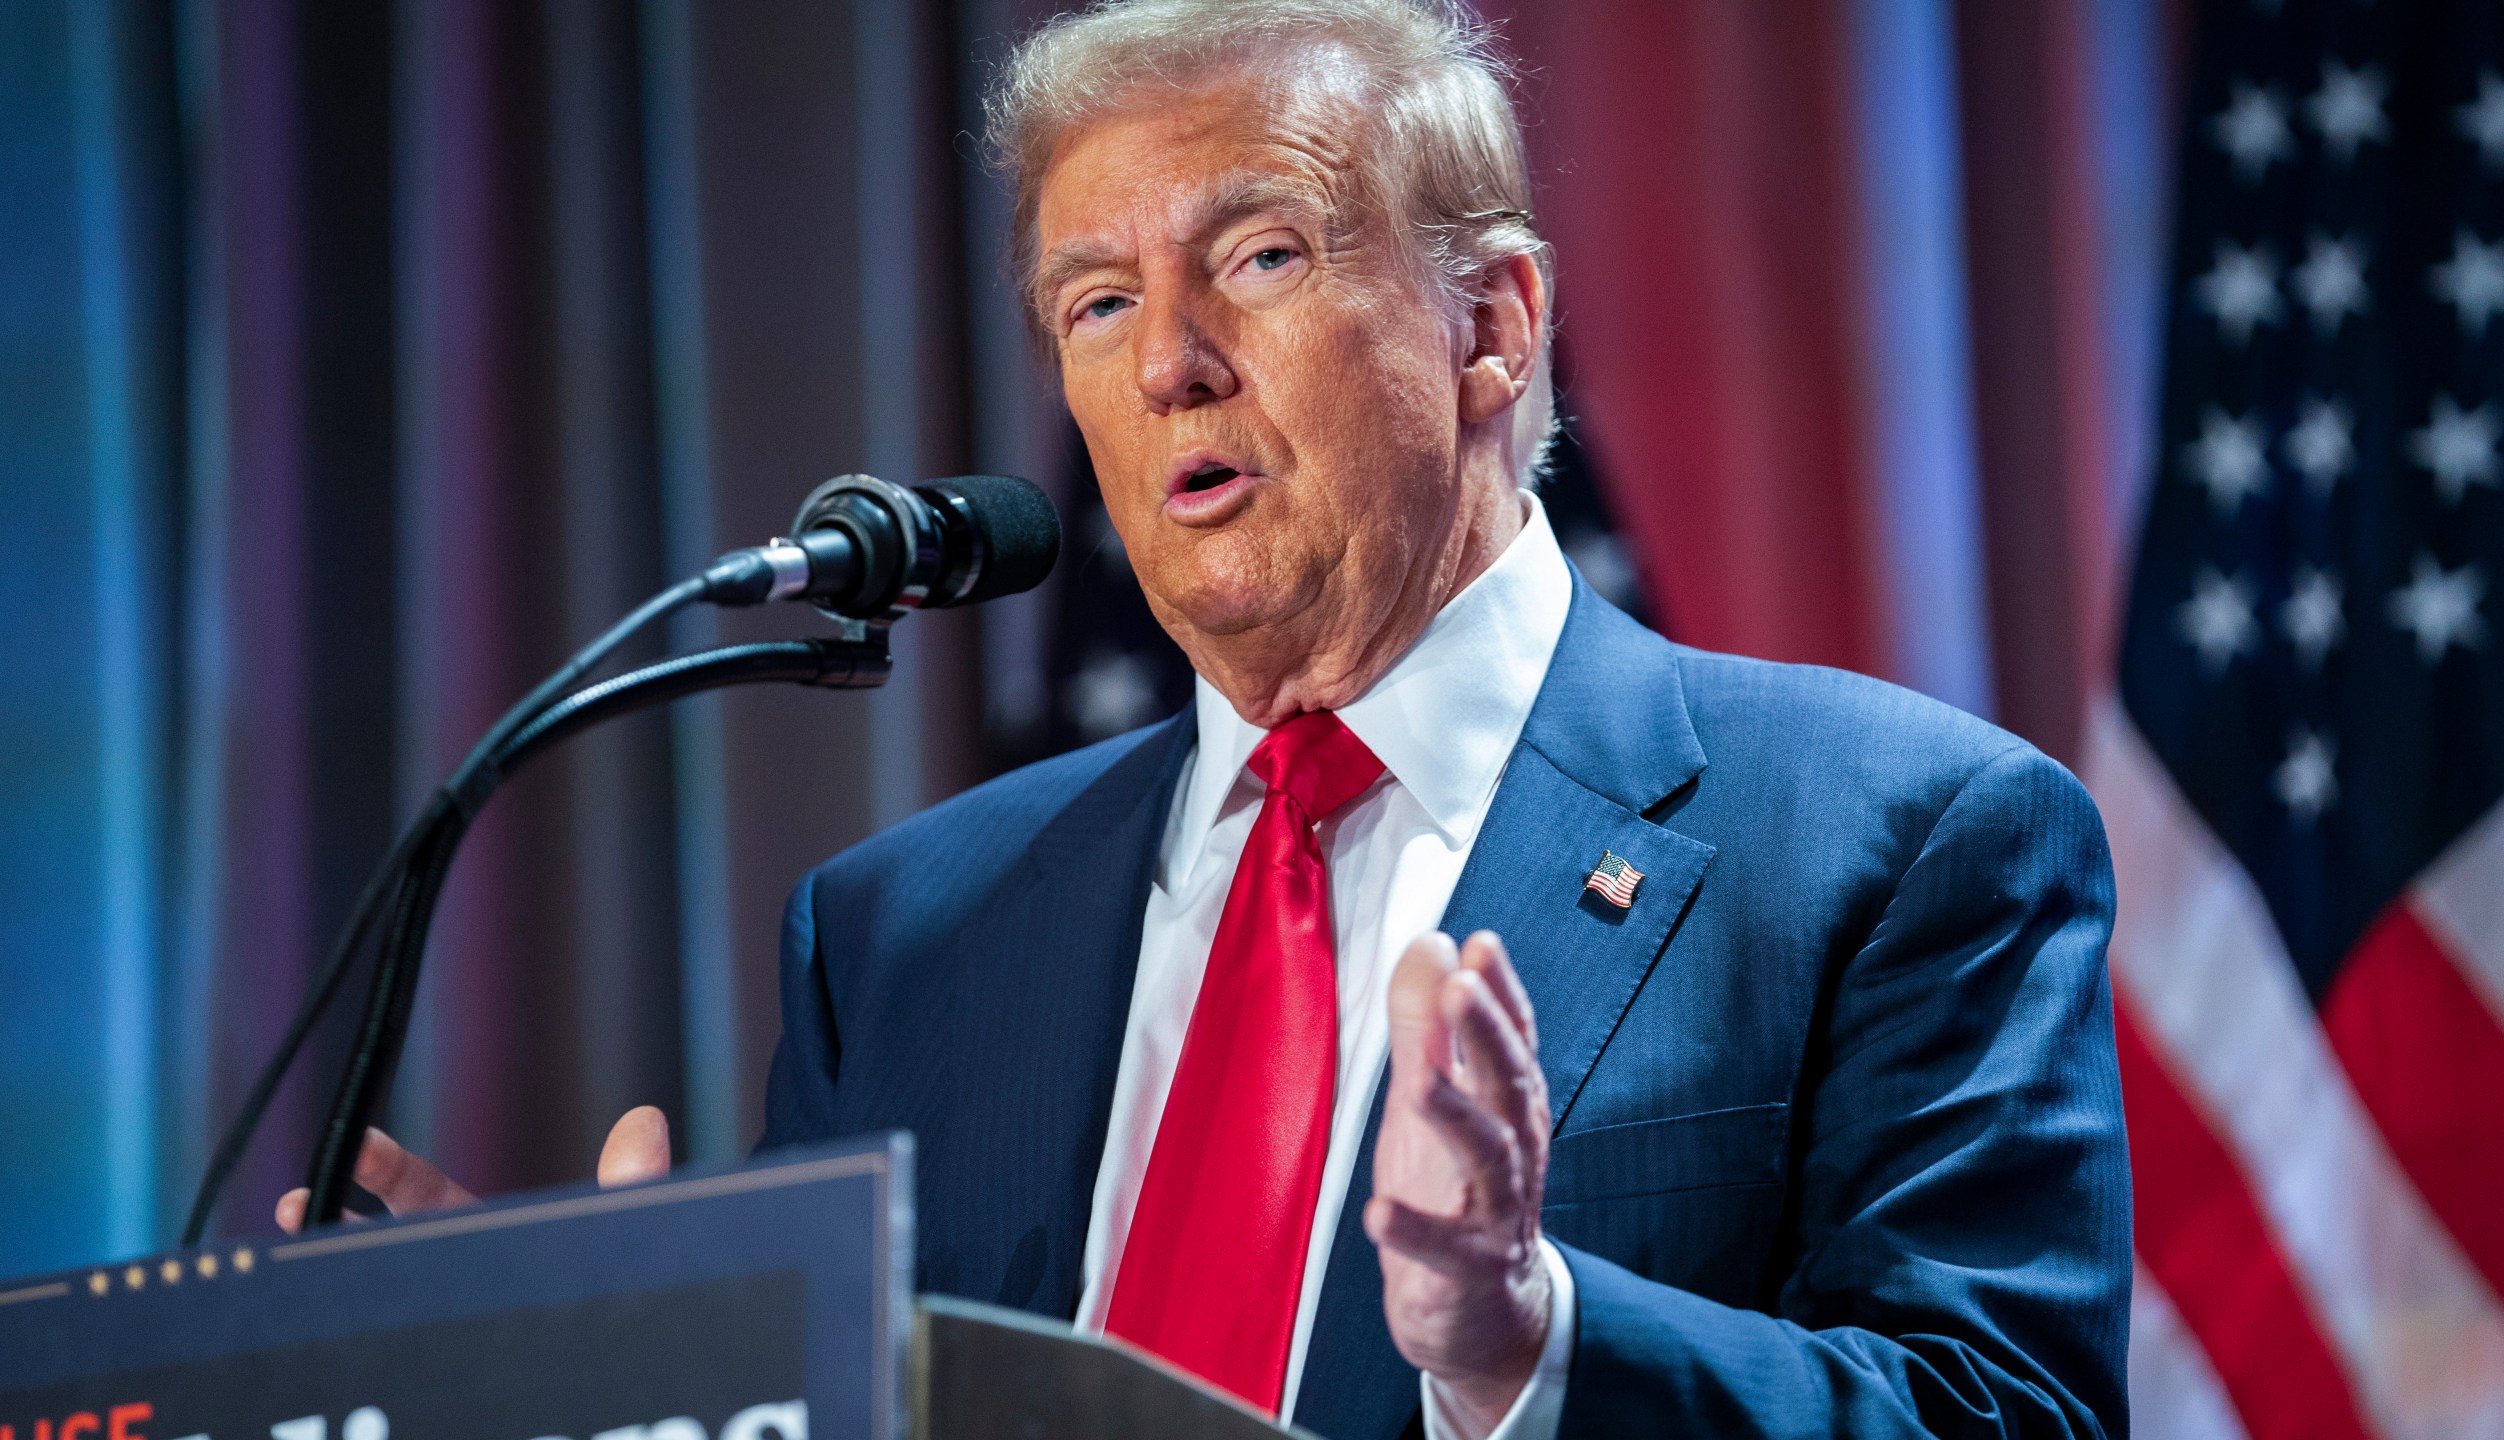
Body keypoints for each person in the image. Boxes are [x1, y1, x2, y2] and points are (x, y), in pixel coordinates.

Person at [285, 2, 2132, 1435]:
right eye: (1096, 300)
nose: (1166, 360)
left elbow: (2009, 1415)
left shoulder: (1899, 839)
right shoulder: (902, 937)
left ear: (1491, 324)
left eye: (1255, 258)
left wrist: (1526, 1339)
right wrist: (622, 1377)